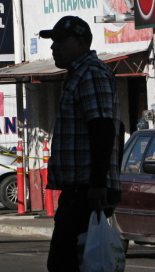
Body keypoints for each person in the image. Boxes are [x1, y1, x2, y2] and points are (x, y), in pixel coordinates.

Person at [42, 16, 122, 272]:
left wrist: (99, 185)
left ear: (80, 42)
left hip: (87, 192)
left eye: (60, 41)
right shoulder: (78, 75)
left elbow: (103, 128)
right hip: (80, 190)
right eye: (52, 41)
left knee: (64, 264)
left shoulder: (91, 73)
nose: (54, 47)